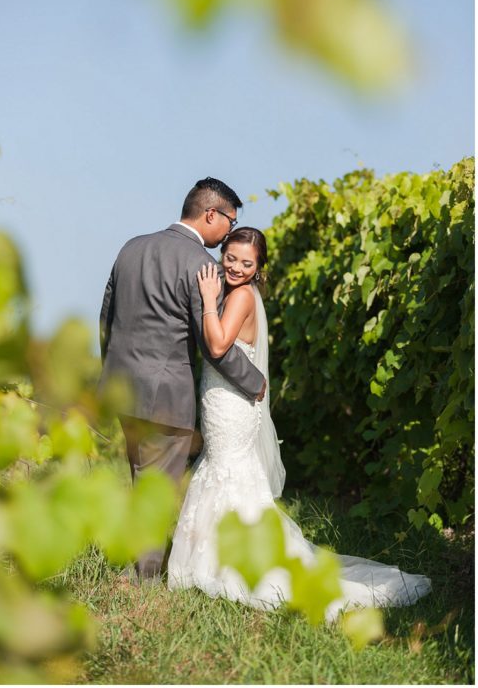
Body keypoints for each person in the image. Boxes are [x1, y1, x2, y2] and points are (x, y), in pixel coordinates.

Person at [167, 227, 432, 618]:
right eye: (231, 258)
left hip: (232, 408)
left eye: (247, 262)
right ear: (222, 254)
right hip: (224, 402)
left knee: (227, 474)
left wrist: (207, 299)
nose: (237, 267)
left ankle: (240, 564)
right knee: (223, 472)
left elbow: (220, 345)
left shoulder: (239, 296)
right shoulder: (243, 294)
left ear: (259, 267)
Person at [99, 178, 267, 580]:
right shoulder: (202, 266)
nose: (229, 232)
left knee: (141, 476)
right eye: (229, 221)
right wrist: (255, 381)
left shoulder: (131, 248)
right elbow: (216, 347)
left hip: (123, 387)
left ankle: (131, 566)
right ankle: (146, 579)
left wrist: (112, 370)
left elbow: (107, 318)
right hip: (166, 394)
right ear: (211, 214)